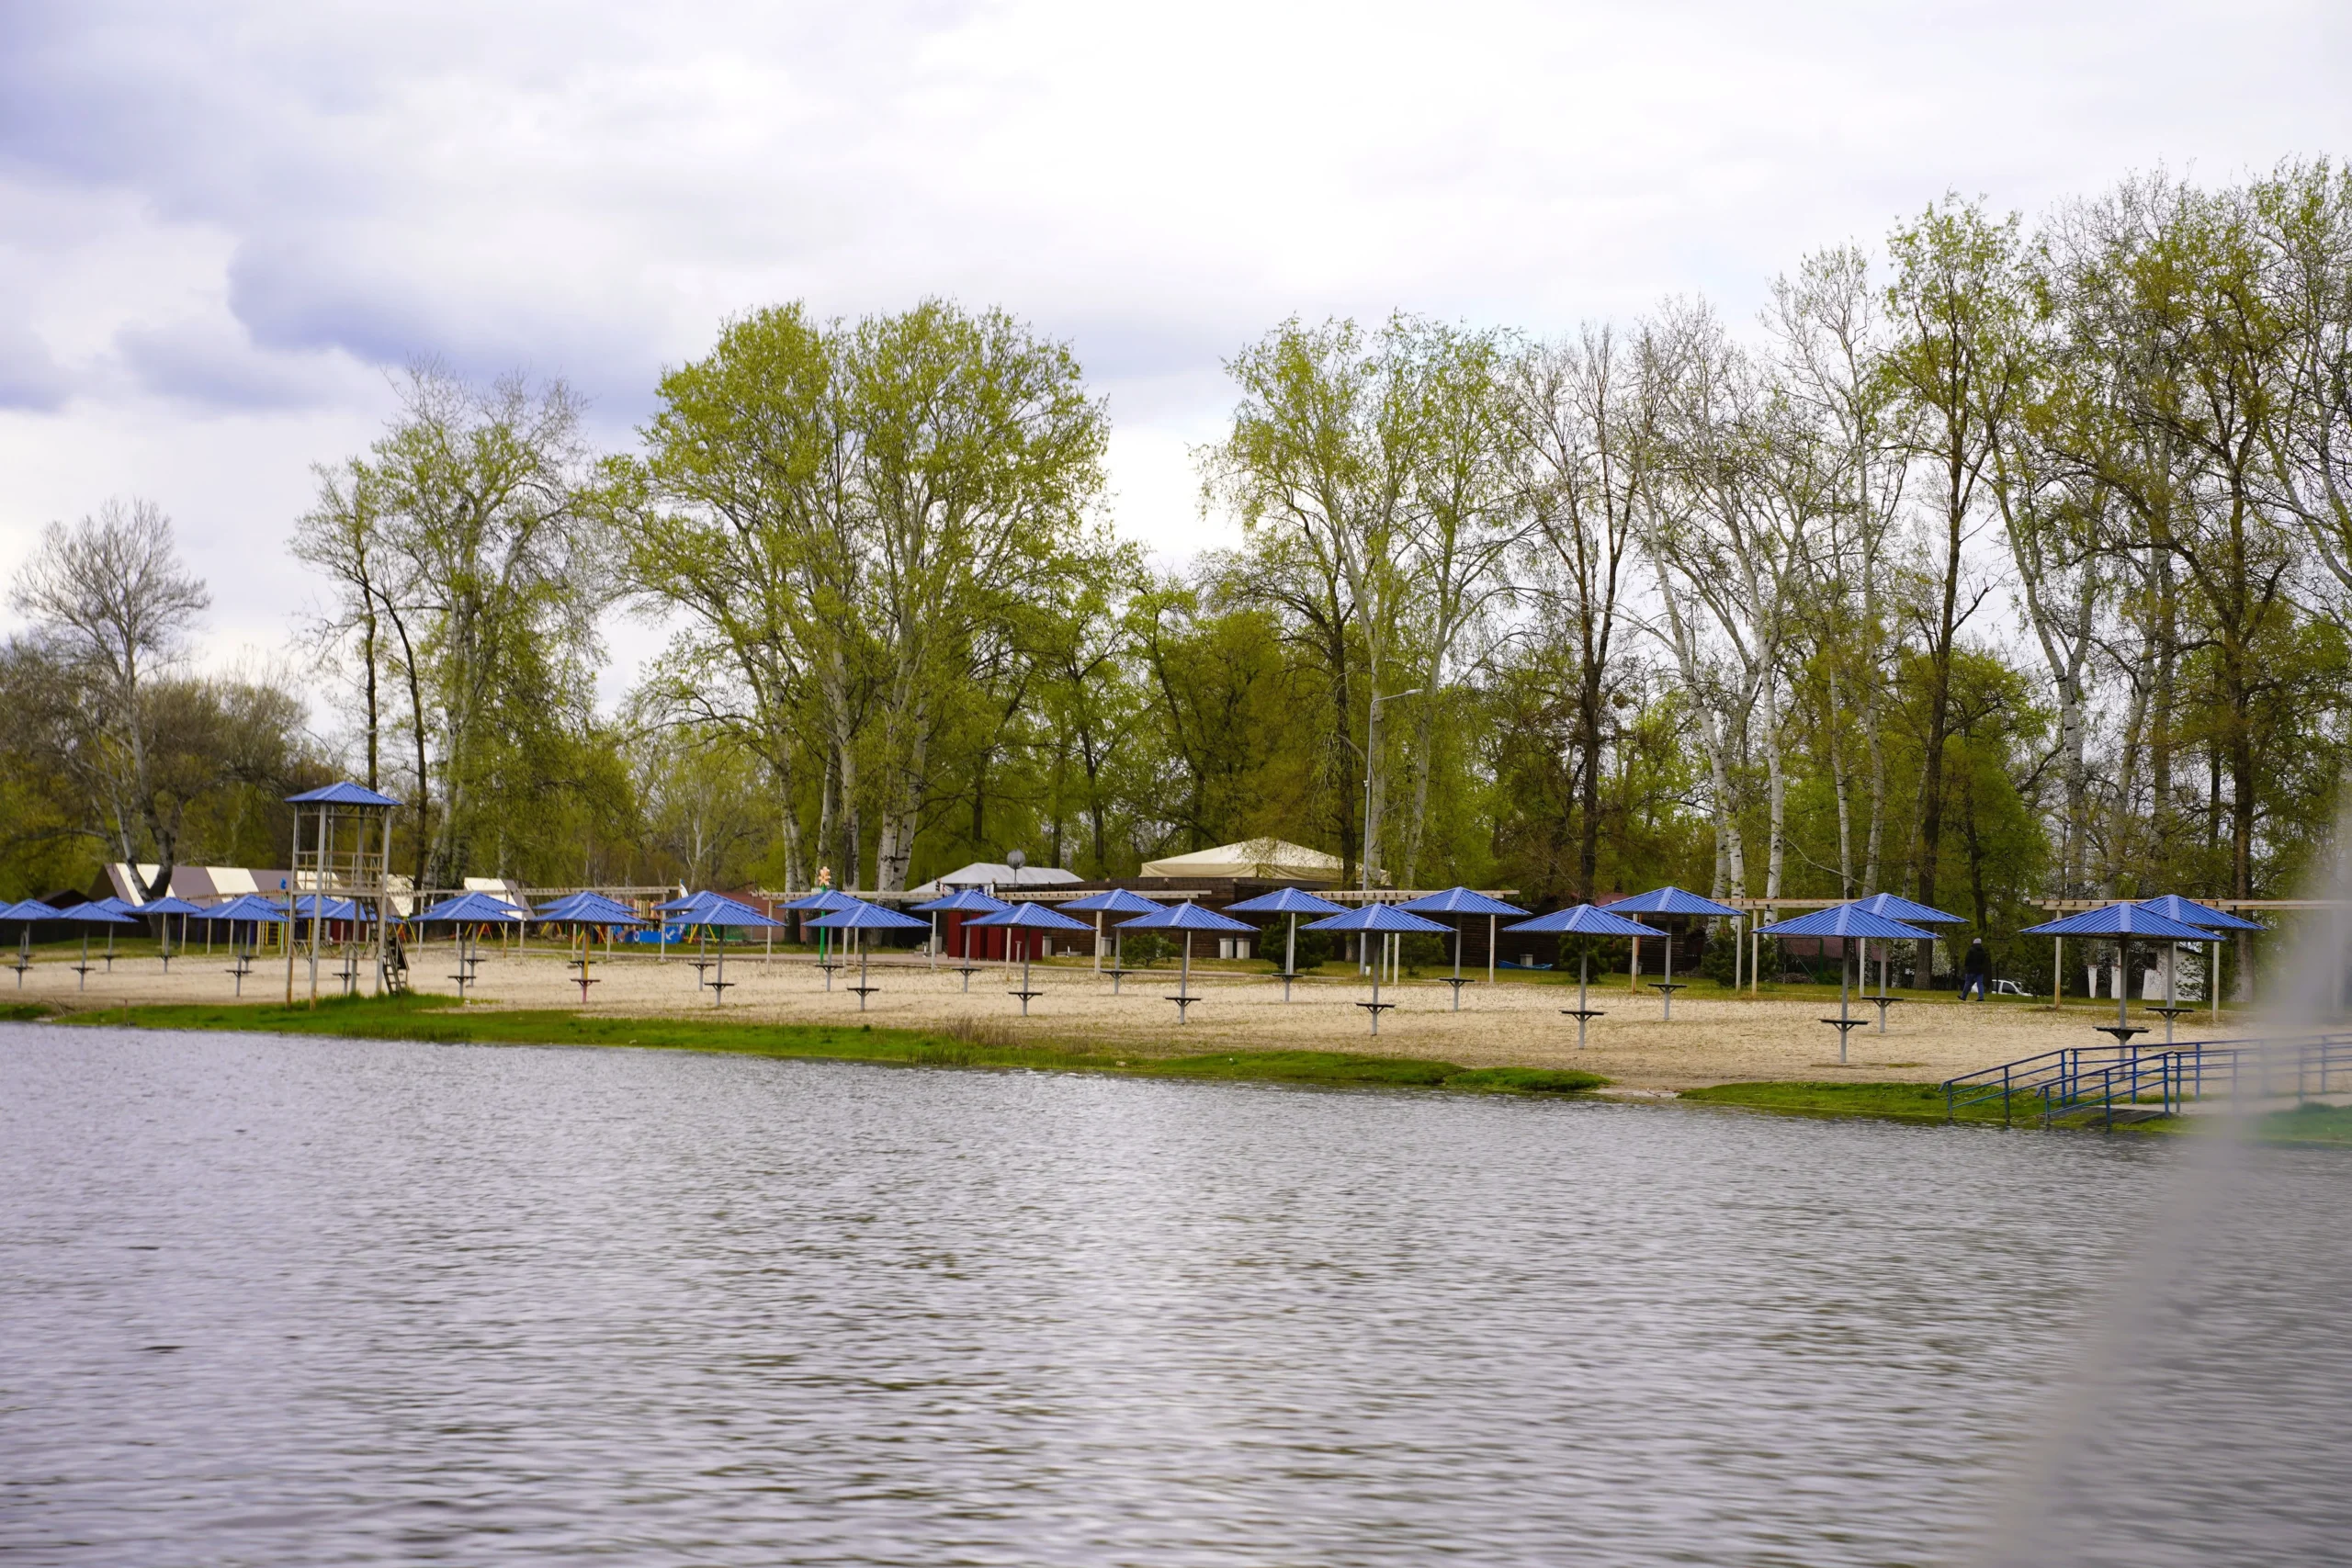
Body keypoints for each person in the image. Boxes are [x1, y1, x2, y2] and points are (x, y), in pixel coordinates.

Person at [1960, 936, 1991, 1000]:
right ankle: (1981, 997)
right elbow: (1984, 961)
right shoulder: (1983, 951)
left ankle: (1963, 996)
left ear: (1974, 943)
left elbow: (1967, 959)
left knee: (1968, 983)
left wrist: (1966, 966)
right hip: (1980, 970)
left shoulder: (1971, 950)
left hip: (1971, 969)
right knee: (1980, 984)